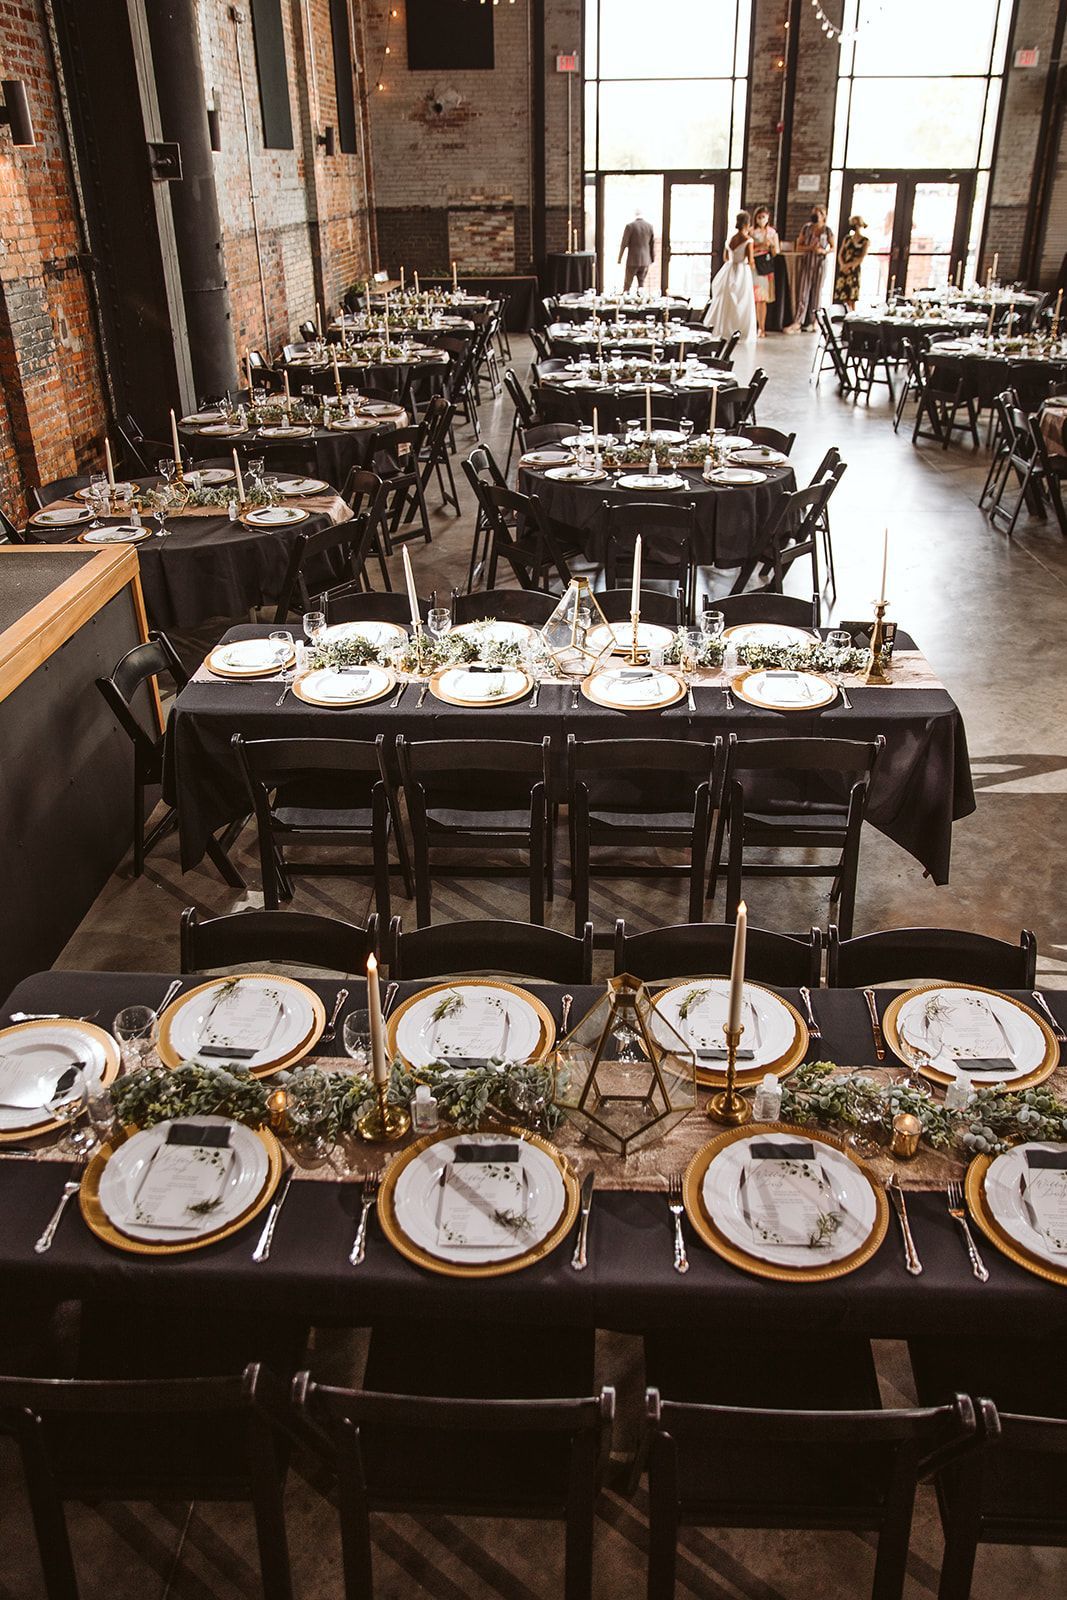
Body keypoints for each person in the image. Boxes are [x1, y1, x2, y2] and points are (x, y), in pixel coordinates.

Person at [703, 210, 757, 343]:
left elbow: (725, 257)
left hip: (729, 270)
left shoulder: (731, 239)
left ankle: (723, 328)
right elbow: (750, 260)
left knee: (726, 300)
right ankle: (739, 330)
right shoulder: (748, 241)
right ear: (747, 224)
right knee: (742, 301)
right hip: (742, 272)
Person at [788, 205, 834, 332]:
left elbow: (833, 247)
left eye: (819, 213)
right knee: (803, 292)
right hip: (807, 262)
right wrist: (810, 248)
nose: (816, 215)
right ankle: (798, 321)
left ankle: (815, 321)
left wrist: (824, 251)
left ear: (823, 215)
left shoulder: (827, 230)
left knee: (817, 293)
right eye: (814, 213)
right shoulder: (807, 228)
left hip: (820, 263)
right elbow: (799, 246)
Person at [750, 204, 780, 337]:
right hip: (754, 266)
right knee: (754, 299)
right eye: (759, 217)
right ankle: (754, 326)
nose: (761, 219)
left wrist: (771, 246)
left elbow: (776, 252)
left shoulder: (772, 233)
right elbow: (749, 250)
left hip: (766, 267)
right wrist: (760, 246)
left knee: (762, 299)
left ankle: (762, 327)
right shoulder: (751, 232)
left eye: (764, 217)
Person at [834, 216, 869, 311]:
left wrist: (849, 266)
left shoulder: (865, 241)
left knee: (851, 297)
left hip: (853, 270)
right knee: (843, 296)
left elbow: (861, 258)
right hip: (844, 270)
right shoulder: (847, 238)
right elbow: (840, 253)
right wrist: (842, 265)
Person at [618, 209, 656, 291]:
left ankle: (626, 301)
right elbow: (652, 244)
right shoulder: (649, 226)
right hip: (645, 260)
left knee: (627, 285)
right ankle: (641, 301)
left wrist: (619, 258)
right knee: (641, 285)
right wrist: (652, 259)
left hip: (632, 260)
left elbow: (623, 244)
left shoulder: (630, 226)